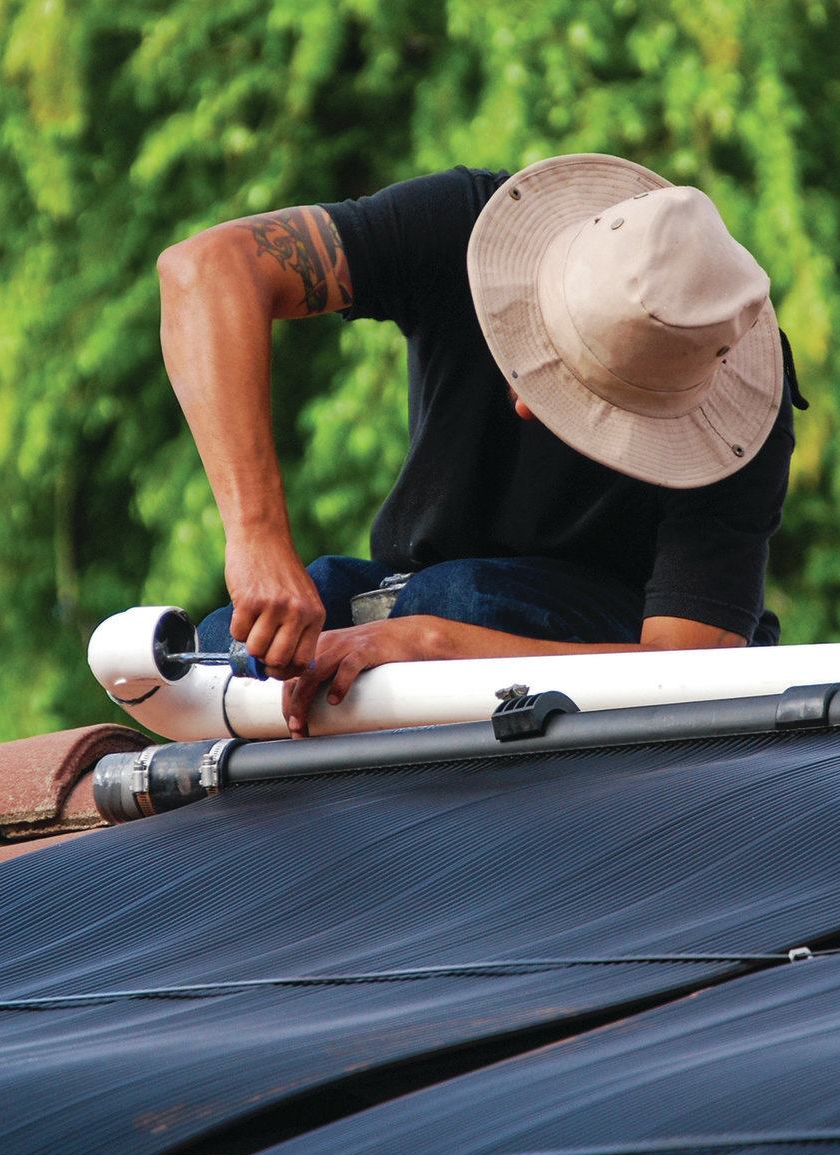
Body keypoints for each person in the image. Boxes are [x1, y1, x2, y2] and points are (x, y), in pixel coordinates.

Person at [156, 152, 805, 736]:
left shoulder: (738, 400)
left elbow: (687, 670)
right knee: (227, 655)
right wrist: (258, 537)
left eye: (588, 398)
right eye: (543, 360)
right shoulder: (461, 224)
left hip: (597, 639)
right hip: (417, 586)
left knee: (459, 597)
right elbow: (204, 269)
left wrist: (428, 643)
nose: (527, 403)